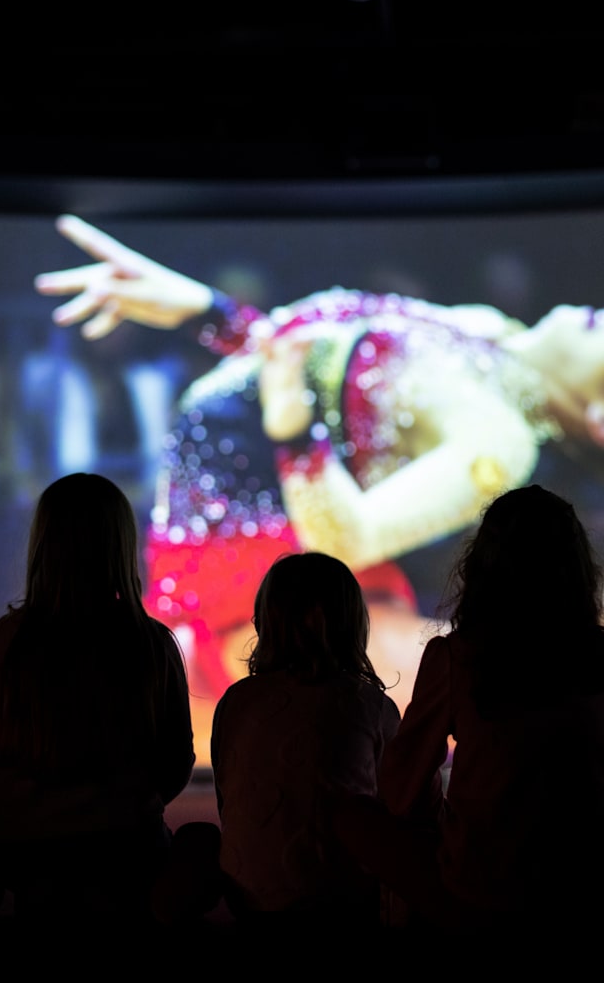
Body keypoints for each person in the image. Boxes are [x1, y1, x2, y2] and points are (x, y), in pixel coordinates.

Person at [33, 215, 604, 743]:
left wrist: (296, 432)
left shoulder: (499, 441)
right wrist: (205, 312)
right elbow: (313, 358)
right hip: (219, 509)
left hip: (249, 554)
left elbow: (342, 540)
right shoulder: (490, 332)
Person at [329, 484, 604, 945]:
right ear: (577, 568)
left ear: (483, 564)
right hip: (584, 892)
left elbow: (401, 790)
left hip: (485, 896)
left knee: (351, 815)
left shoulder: (458, 655)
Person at [0, 471, 202, 922]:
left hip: (25, 851)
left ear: (42, 543)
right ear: (121, 546)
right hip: (128, 847)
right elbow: (177, 760)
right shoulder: (152, 643)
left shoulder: (5, 642)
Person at [209, 549, 401, 921]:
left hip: (248, 904)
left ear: (265, 620)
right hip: (343, 905)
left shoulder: (235, 700)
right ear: (353, 622)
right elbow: (396, 802)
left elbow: (226, 799)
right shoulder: (371, 704)